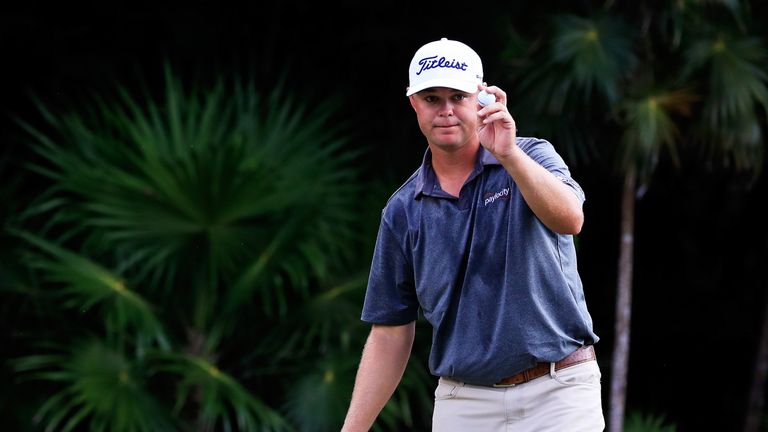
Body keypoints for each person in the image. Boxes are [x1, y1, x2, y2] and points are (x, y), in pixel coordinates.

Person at [341, 38, 604, 431]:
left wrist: (509, 155)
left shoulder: (532, 156)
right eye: (432, 98)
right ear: (414, 104)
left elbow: (570, 219)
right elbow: (390, 332)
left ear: (482, 97)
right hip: (464, 402)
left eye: (458, 97)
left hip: (558, 389)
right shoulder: (403, 210)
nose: (446, 110)